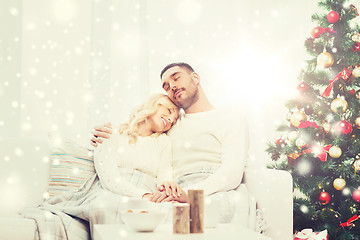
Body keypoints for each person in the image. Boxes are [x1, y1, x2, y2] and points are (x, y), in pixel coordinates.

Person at [91, 63, 249, 222]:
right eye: (166, 86)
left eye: (176, 78)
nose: (172, 86)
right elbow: (137, 136)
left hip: (210, 189)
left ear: (195, 78)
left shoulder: (230, 117)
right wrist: (103, 134)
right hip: (172, 192)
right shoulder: (167, 127)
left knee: (208, 213)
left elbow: (232, 173)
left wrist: (188, 194)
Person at [21, 93, 182, 240]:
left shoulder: (163, 142)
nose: (170, 120)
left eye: (173, 121)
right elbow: (110, 180)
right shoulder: (110, 134)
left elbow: (165, 172)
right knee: (104, 206)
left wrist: (165, 187)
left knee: (175, 212)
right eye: (169, 111)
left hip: (148, 190)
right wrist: (143, 196)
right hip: (114, 190)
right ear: (155, 103)